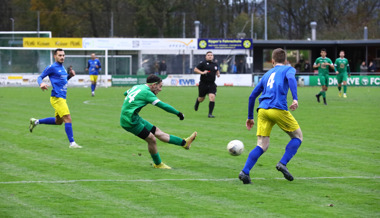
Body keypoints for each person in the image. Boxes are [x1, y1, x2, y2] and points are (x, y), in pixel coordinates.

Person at [238, 48, 303, 184]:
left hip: (262, 110)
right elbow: (291, 79)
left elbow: (252, 96)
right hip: (277, 108)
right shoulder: (288, 69)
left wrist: (250, 117)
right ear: (285, 61)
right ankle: (282, 163)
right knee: (297, 137)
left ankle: (245, 171)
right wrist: (295, 98)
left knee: (262, 145)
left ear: (272, 61)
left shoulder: (266, 75)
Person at [120, 74, 197, 169]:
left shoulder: (138, 86)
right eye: (160, 86)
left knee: (157, 131)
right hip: (130, 121)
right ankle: (158, 164)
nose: (160, 89)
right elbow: (163, 105)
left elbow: (125, 93)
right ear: (153, 85)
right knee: (151, 139)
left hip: (133, 117)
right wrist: (178, 113)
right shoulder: (147, 93)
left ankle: (184, 143)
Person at [29, 48, 82, 148]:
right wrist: (41, 84)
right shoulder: (52, 67)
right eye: (60, 55)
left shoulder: (63, 68)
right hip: (57, 98)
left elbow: (63, 81)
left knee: (58, 122)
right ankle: (72, 143)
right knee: (68, 118)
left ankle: (35, 121)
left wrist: (70, 76)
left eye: (63, 55)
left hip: (62, 97)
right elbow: (39, 77)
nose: (62, 57)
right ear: (55, 56)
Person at [193, 51, 221, 118]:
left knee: (212, 97)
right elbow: (195, 69)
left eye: (211, 55)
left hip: (212, 84)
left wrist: (218, 74)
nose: (210, 56)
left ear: (213, 56)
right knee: (201, 99)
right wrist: (202, 72)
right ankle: (197, 101)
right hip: (203, 84)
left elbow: (216, 70)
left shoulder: (215, 64)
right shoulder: (203, 63)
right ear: (206, 56)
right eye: (208, 55)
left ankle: (210, 114)